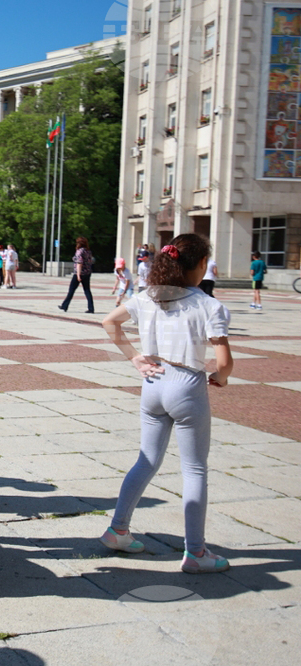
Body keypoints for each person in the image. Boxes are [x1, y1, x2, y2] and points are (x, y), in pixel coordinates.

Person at [99, 233, 233, 574]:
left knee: (146, 461)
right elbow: (224, 361)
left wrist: (135, 358)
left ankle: (118, 529)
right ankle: (196, 553)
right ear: (202, 265)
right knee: (194, 468)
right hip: (187, 385)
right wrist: (220, 375)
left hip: (153, 383)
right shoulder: (208, 304)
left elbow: (109, 322)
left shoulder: (149, 296)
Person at [58, 236, 95, 314]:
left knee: (71, 290)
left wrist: (78, 275)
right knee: (87, 290)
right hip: (87, 273)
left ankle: (65, 306)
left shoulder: (79, 251)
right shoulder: (88, 251)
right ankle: (91, 308)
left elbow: (79, 263)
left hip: (79, 273)